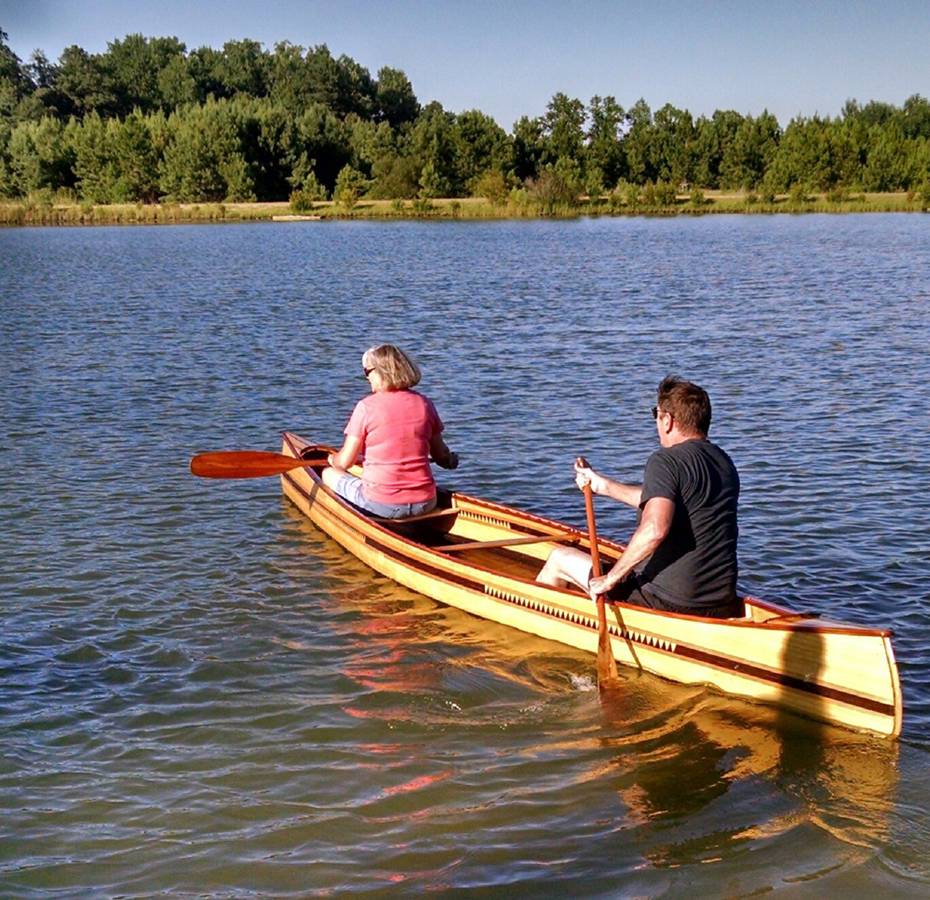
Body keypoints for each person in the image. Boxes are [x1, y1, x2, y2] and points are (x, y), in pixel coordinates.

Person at [537, 376, 742, 619]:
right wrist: (602, 485)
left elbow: (655, 528)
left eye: (656, 413)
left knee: (559, 558)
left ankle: (546, 632)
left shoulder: (666, 460)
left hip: (665, 602)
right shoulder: (724, 463)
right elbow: (666, 501)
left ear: (667, 420)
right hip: (721, 602)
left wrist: (609, 580)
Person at [321, 344, 458, 519]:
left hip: (381, 505)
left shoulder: (366, 407)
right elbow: (441, 456)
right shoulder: (425, 404)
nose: (367, 378)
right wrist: (450, 460)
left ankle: (344, 519)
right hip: (426, 502)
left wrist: (332, 459)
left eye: (367, 372)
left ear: (380, 372)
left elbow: (345, 463)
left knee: (328, 474)